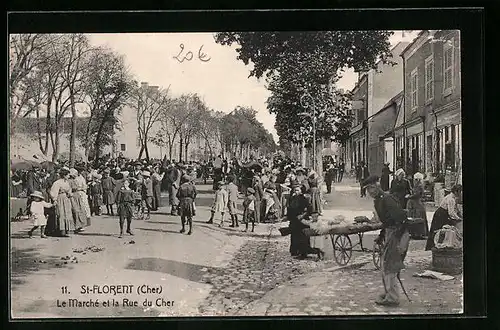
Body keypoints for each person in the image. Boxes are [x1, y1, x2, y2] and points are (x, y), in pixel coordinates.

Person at [363, 175, 410, 307]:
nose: (370, 192)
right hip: (391, 232)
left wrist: (396, 238)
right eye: (368, 190)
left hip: (397, 233)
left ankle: (393, 297)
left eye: (371, 188)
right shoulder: (379, 200)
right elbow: (386, 222)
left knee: (390, 266)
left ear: (377, 186)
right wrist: (382, 235)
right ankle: (388, 292)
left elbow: (401, 219)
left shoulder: (387, 199)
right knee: (386, 266)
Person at [287, 181, 323, 260]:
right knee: (294, 236)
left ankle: (303, 253)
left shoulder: (303, 198)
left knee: (302, 237)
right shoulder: (292, 198)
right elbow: (289, 209)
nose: (296, 192)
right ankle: (295, 251)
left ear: (301, 191)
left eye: (297, 190)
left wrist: (302, 216)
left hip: (301, 221)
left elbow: (308, 209)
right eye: (295, 190)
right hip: (294, 221)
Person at [425, 184, 463, 251]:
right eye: (460, 192)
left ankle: (439, 245)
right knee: (438, 230)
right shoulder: (451, 199)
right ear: (456, 192)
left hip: (442, 214)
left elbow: (455, 210)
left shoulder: (451, 197)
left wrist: (458, 215)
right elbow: (451, 213)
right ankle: (435, 246)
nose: (460, 194)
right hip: (441, 215)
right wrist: (458, 218)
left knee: (442, 231)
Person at [49, 168, 74, 237]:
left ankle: (66, 230)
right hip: (60, 198)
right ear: (64, 175)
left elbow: (69, 190)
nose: (69, 176)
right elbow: (53, 192)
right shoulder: (57, 182)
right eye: (68, 175)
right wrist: (54, 199)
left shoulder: (67, 182)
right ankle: (60, 230)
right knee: (61, 213)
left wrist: (70, 194)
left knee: (67, 213)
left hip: (66, 199)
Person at [406, 172, 429, 239]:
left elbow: (417, 195)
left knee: (418, 218)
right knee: (414, 218)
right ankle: (415, 233)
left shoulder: (419, 186)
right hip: (415, 203)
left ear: (418, 179)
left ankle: (419, 233)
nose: (414, 181)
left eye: (415, 179)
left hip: (417, 204)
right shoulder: (417, 185)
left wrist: (409, 196)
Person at [68, 168, 89, 233]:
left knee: (80, 210)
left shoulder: (75, 180)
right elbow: (71, 188)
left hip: (77, 196)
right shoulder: (70, 181)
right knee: (75, 210)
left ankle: (80, 225)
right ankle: (74, 226)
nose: (76, 175)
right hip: (73, 196)